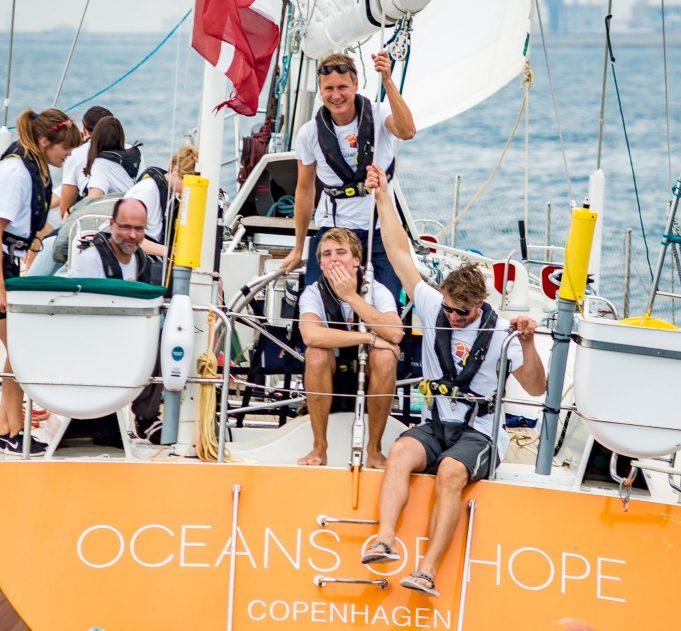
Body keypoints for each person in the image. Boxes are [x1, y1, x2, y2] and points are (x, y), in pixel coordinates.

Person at [360, 164, 546, 596]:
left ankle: (426, 570)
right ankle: (385, 538)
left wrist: (530, 343)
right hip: (438, 422)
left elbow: (536, 388)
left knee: (449, 472)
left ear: (480, 306)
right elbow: (400, 251)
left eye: (462, 312)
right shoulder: (432, 305)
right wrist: (383, 198)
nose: (453, 317)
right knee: (402, 449)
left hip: (479, 432)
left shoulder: (501, 334)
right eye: (449, 309)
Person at [281, 51, 415, 304]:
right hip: (334, 229)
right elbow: (305, 189)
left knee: (387, 305)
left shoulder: (378, 114)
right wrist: (299, 248)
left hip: (381, 229)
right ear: (320, 90)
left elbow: (407, 131)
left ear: (356, 84)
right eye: (328, 88)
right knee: (319, 302)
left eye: (343, 87)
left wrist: (387, 80)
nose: (336, 95)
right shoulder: (309, 134)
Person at [0, 108, 81, 456]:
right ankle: (13, 430)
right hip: (3, 266)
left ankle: (8, 428)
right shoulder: (16, 172)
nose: (69, 155)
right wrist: (1, 287)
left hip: (10, 260)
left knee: (17, 351)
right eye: (66, 148)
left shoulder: (33, 168)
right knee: (20, 349)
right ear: (45, 141)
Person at [297, 227, 403, 468]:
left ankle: (374, 449)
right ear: (321, 265)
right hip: (329, 373)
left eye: (341, 252)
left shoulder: (377, 290)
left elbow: (396, 332)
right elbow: (310, 335)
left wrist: (351, 296)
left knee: (386, 357)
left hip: (371, 373)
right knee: (315, 354)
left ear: (357, 261)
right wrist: (368, 339)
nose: (333, 259)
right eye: (326, 254)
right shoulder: (313, 294)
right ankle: (319, 447)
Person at [124, 145, 198, 256]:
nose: (190, 190)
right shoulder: (147, 192)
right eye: (188, 183)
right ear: (175, 171)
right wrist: (172, 252)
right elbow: (127, 237)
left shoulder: (173, 194)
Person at [68, 198, 152, 281]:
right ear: (111, 224)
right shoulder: (90, 261)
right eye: (126, 227)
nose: (133, 235)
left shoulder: (143, 263)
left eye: (139, 229)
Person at [60, 105, 112, 217]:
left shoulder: (75, 154)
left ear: (84, 129)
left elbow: (65, 209)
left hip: (92, 220)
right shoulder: (133, 152)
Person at [84, 116, 143, 198]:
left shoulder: (100, 163)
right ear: (121, 135)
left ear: (97, 137)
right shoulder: (135, 152)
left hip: (119, 208)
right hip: (139, 204)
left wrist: (71, 209)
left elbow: (94, 197)